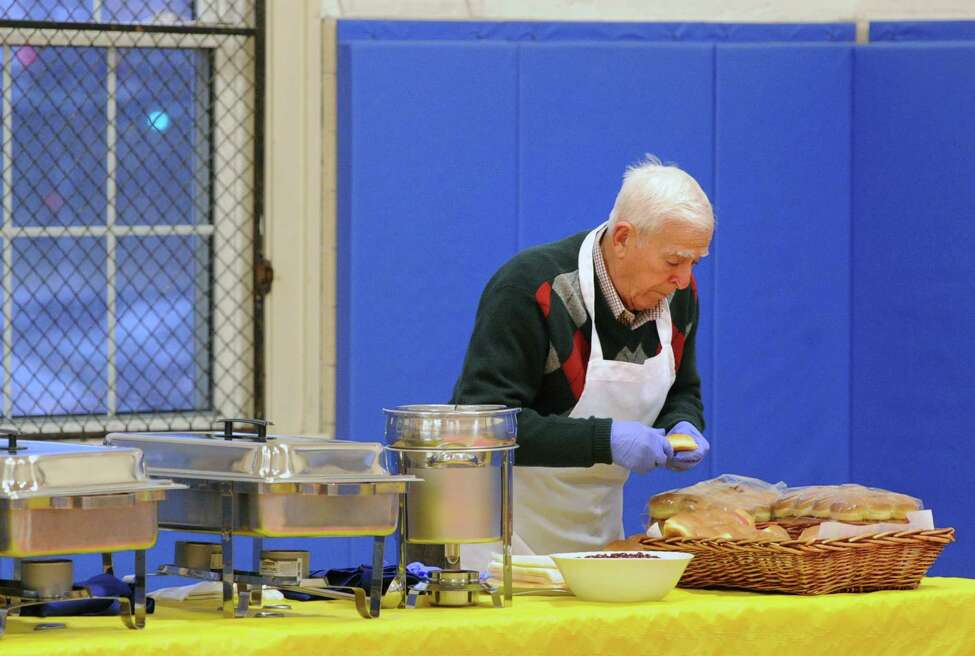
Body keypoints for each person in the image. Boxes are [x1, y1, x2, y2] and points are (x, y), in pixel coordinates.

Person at [451, 155, 714, 566]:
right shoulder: (531, 289)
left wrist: (683, 423)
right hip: (500, 544)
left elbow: (683, 389)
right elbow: (483, 423)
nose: (683, 278)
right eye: (674, 261)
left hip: (595, 544)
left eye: (695, 262)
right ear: (624, 238)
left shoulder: (677, 296)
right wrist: (605, 441)